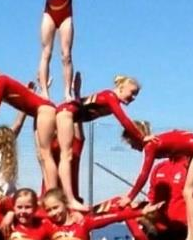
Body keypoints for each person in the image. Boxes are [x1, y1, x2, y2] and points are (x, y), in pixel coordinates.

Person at [120, 123, 193, 240]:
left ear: (137, 136)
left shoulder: (150, 145)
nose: (132, 147)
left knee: (188, 192)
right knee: (188, 192)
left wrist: (129, 197)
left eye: (131, 143)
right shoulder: (155, 141)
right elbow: (175, 135)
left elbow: (143, 174)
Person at [56, 75, 144, 210]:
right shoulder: (110, 96)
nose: (133, 98)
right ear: (121, 88)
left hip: (69, 116)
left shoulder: (109, 99)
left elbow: (81, 107)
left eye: (136, 95)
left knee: (69, 153)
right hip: (65, 114)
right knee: (66, 156)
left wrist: (78, 94)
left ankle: (71, 196)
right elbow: (123, 120)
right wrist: (141, 138)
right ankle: (69, 198)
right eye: (132, 93)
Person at [0, 58, 57, 193]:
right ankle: (47, 191)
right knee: (40, 156)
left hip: (43, 110)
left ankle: (53, 191)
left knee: (46, 154)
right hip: (37, 113)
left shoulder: (0, 81)